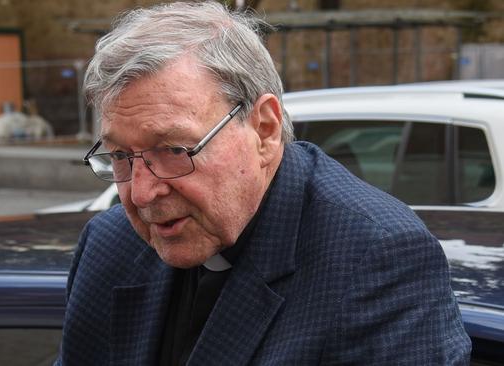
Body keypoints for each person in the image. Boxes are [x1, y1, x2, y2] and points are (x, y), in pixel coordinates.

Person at [57, 2, 471, 365]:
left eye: (173, 150)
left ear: (265, 129)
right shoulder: (108, 245)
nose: (143, 193)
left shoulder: (374, 259)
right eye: (120, 156)